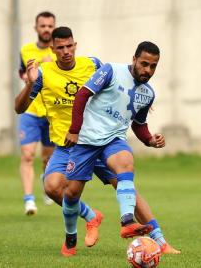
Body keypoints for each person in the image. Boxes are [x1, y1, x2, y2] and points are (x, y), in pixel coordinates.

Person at [15, 27, 180, 256]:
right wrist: (29, 84)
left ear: (75, 45)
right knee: (55, 188)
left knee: (126, 180)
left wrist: (139, 97)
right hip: (72, 143)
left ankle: (159, 240)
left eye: (69, 46)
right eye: (60, 47)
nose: (66, 51)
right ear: (52, 49)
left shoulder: (93, 65)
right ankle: (89, 218)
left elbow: (120, 83)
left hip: (106, 141)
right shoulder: (43, 73)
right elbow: (19, 108)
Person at [60, 41, 169, 257]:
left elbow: (138, 124)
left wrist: (150, 140)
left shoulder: (148, 93)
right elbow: (82, 95)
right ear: (134, 59)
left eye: (153, 66)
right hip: (87, 140)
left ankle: (127, 221)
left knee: (126, 162)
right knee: (71, 193)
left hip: (113, 140)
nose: (148, 70)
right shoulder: (110, 71)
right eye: (144, 64)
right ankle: (70, 237)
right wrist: (74, 130)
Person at [18, 11, 56, 215]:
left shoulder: (61, 51)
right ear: (36, 28)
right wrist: (44, 64)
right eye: (43, 26)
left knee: (47, 160)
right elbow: (25, 75)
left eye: (50, 26)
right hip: (31, 110)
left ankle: (46, 186)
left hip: (51, 113)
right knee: (28, 154)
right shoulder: (26, 50)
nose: (47, 29)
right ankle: (29, 200)